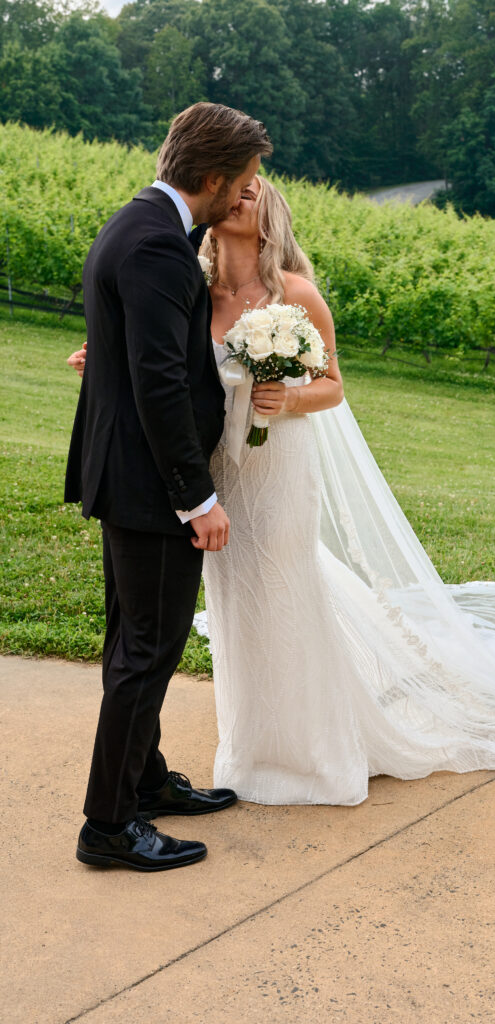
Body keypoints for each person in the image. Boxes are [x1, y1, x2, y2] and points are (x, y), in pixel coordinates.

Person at [72, 179, 495, 810]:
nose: (243, 194)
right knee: (236, 609)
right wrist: (102, 357)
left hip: (277, 474)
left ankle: (311, 756)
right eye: (237, 187)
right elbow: (157, 360)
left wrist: (284, 400)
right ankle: (251, 751)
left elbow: (335, 387)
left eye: (257, 189)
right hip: (220, 477)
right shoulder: (192, 292)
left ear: (269, 218)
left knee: (285, 597)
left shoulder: (296, 295)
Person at [64, 103, 272, 871]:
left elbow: (137, 354)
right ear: (213, 178)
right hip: (153, 490)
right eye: (244, 182)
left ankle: (144, 781)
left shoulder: (137, 225)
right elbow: (158, 385)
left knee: (133, 644)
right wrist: (198, 498)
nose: (246, 195)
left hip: (124, 478)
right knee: (146, 654)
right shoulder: (157, 247)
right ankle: (110, 827)